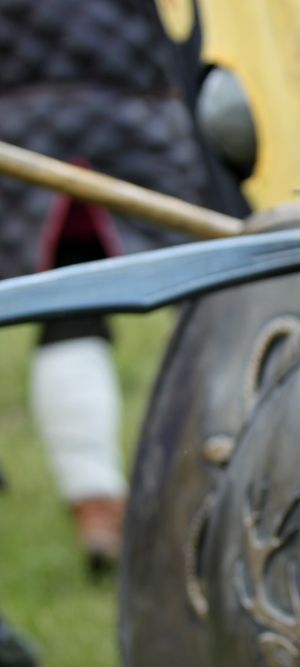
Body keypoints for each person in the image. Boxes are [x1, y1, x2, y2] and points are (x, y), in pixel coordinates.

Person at [0, 0, 210, 571]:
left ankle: (98, 501)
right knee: (205, 303)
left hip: (28, 125)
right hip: (128, 117)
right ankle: (211, 484)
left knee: (72, 312)